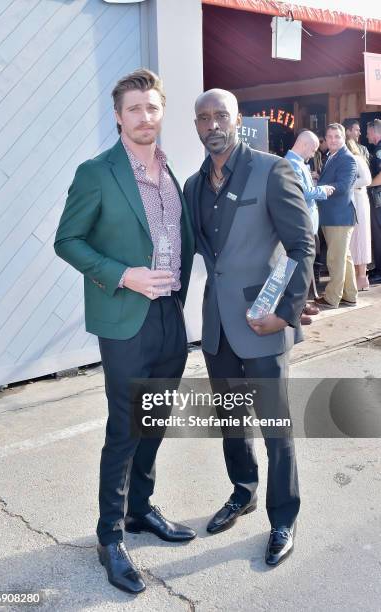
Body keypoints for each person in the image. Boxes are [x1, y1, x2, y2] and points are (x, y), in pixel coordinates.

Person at [54, 69, 196, 595]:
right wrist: (122, 274)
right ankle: (109, 535)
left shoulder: (170, 170)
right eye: (133, 109)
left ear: (162, 112)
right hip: (124, 319)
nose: (144, 117)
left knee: (155, 420)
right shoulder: (97, 172)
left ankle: (140, 510)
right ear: (118, 116)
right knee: (125, 428)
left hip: (169, 316)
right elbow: (67, 240)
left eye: (152, 108)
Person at [184, 89, 315, 567]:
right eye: (204, 118)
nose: (213, 124)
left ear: (239, 120)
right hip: (217, 326)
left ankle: (284, 517)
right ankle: (244, 492)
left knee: (276, 426)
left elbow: (302, 246)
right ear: (196, 126)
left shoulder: (271, 169)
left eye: (221, 115)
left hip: (264, 323)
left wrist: (287, 312)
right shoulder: (194, 185)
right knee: (232, 423)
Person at [285, 130, 335, 321]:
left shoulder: (298, 164)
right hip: (301, 222)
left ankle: (301, 304)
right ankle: (295, 310)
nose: (314, 153)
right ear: (304, 145)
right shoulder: (291, 164)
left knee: (307, 265)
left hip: (308, 222)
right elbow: (302, 192)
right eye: (313, 149)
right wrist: (322, 190)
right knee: (301, 266)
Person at [315, 123, 358, 309]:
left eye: (337, 137)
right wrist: (319, 178)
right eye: (329, 136)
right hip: (334, 216)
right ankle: (350, 295)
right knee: (344, 257)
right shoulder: (332, 156)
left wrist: (320, 189)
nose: (333, 140)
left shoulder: (347, 159)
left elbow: (343, 186)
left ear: (343, 139)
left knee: (335, 258)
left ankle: (332, 298)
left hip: (339, 217)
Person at [346, 138, 372, 290]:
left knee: (361, 237)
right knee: (355, 239)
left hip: (359, 201)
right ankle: (358, 275)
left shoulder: (356, 159)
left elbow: (367, 179)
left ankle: (362, 276)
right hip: (354, 200)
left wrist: (347, 183)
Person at [366, 119, 381, 283]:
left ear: (375, 132)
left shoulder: (379, 149)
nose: (367, 135)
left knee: (378, 234)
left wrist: (367, 184)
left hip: (379, 199)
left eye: (368, 132)